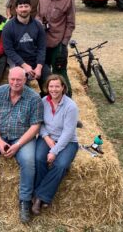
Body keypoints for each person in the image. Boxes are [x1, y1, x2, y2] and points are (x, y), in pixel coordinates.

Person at [0, 67, 43, 224]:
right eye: (13, 79)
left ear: (25, 80)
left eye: (19, 80)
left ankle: (25, 201)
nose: (15, 82)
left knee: (29, 161)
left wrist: (18, 145)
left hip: (22, 137)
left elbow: (35, 126)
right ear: (8, 78)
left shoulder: (34, 98)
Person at [33, 74, 78, 215]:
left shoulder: (71, 106)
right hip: (47, 138)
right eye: (51, 86)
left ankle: (39, 197)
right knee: (39, 158)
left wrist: (54, 151)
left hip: (67, 141)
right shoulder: (43, 102)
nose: (54, 89)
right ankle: (41, 196)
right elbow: (39, 123)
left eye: (57, 86)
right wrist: (46, 138)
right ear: (47, 87)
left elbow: (68, 132)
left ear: (63, 87)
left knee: (61, 165)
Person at [37, 0, 75, 97]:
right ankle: (47, 95)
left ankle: (68, 98)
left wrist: (63, 43)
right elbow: (38, 15)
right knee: (44, 72)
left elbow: (70, 24)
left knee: (60, 73)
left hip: (57, 43)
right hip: (43, 43)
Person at [2, 0, 49, 93]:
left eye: (26, 6)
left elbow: (41, 47)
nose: (23, 9)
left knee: (49, 82)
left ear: (30, 8)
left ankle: (44, 101)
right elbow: (9, 50)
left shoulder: (38, 25)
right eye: (21, 6)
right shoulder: (8, 27)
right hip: (18, 61)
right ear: (16, 9)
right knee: (22, 87)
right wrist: (24, 66)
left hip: (35, 60)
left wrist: (39, 67)